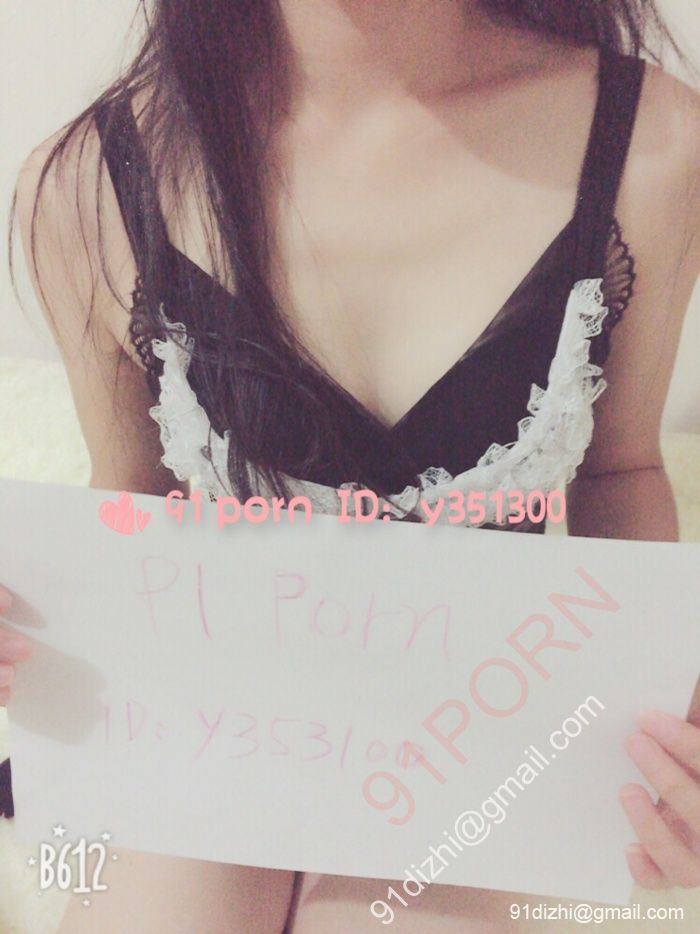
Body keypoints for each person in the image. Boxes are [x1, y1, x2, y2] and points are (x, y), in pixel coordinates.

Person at [2, 1, 700, 930]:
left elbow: (616, 473)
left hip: (485, 723)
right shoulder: (89, 184)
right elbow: (130, 501)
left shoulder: (653, 144)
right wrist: (39, 630)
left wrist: (655, 702)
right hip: (212, 718)